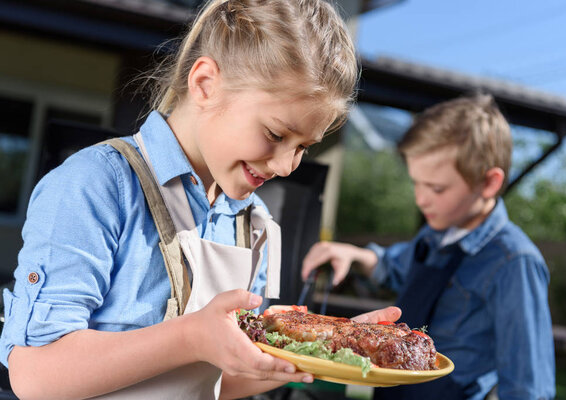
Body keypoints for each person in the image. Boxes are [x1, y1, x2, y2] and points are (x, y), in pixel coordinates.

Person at [0, 1, 402, 399]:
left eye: (304, 147)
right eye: (277, 135)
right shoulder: (97, 184)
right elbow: (36, 375)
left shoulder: (253, 222)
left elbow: (218, 381)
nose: (285, 166)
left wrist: (331, 349)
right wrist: (190, 338)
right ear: (206, 84)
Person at [302, 94, 556, 400]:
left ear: (488, 183)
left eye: (437, 188)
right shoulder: (434, 237)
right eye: (416, 183)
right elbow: (394, 266)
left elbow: (529, 384)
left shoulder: (514, 262)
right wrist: (356, 255)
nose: (421, 199)